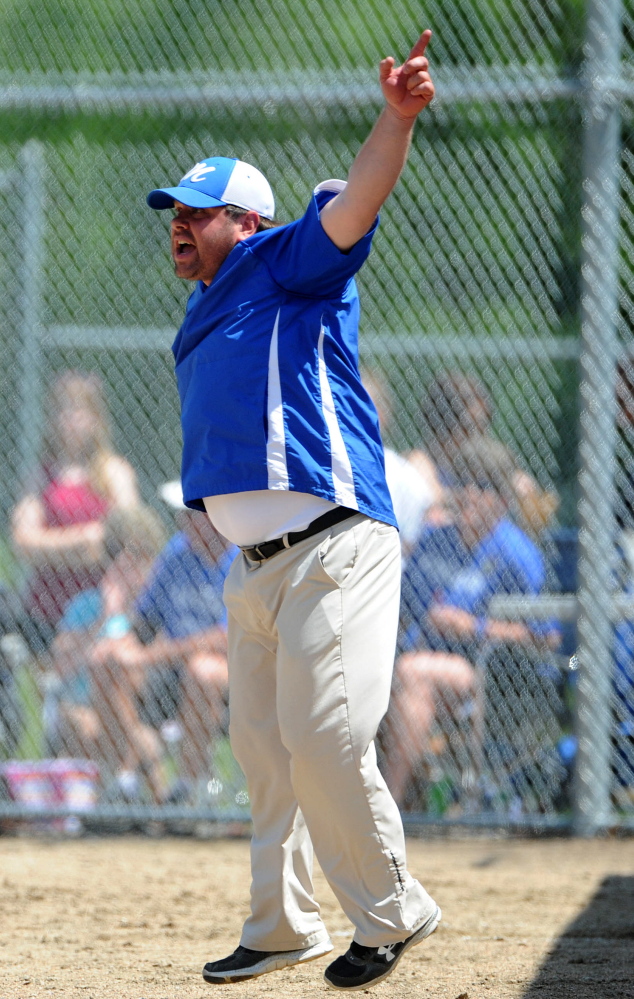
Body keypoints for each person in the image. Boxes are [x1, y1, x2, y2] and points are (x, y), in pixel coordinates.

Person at [146, 30, 440, 992]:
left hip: (335, 543)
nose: (178, 226)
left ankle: (393, 910)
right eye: (174, 214)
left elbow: (357, 200)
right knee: (264, 754)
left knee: (324, 737)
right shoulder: (205, 309)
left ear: (247, 219)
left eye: (196, 212)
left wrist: (393, 119)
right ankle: (281, 926)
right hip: (255, 566)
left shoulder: (289, 265)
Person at [385, 438, 561, 808]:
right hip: (417, 655)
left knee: (413, 674)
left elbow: (548, 638)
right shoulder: (435, 541)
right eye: (462, 483)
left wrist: (473, 627)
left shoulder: (518, 554)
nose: (467, 494)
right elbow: (400, 609)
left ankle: (389, 805)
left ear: (502, 500)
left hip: (490, 674)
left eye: (481, 487)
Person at [92, 480, 235, 793]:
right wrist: (121, 643)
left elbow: (226, 639)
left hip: (235, 675)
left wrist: (146, 656)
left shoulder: (242, 557)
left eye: (190, 514)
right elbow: (144, 623)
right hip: (170, 671)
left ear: (215, 516)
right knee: (105, 661)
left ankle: (190, 790)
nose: (182, 522)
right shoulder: (177, 552)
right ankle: (128, 783)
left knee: (203, 671)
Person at [11, 371, 140, 654]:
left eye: (78, 410)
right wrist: (86, 540)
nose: (69, 419)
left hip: (99, 608)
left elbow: (129, 537)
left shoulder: (114, 473)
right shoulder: (40, 476)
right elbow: (22, 540)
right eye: (62, 409)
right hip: (43, 606)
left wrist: (50, 546)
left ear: (96, 418)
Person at [50, 506, 169, 802]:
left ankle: (125, 790)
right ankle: (138, 795)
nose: (128, 564)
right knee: (83, 724)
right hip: (84, 708)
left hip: (141, 711)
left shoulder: (157, 609)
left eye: (140, 555)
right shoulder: (87, 605)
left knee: (142, 735)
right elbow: (59, 667)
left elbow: (149, 676)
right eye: (119, 554)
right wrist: (106, 614)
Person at [409, 371, 559, 536]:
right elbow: (432, 498)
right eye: (473, 427)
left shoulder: (483, 460)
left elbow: (529, 501)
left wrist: (521, 494)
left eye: (484, 425)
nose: (481, 436)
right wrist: (477, 496)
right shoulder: (421, 460)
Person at [361, 367, 441, 552]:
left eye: (357, 405)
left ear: (379, 415)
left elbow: (409, 544)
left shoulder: (404, 476)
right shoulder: (317, 467)